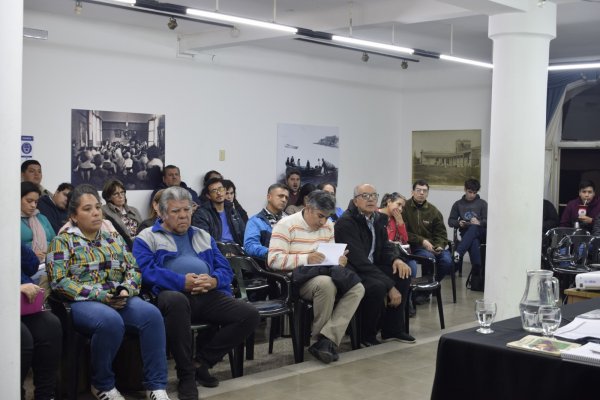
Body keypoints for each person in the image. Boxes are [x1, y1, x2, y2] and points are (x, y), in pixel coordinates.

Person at [46, 184, 171, 400]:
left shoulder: (112, 239)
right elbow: (59, 281)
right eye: (87, 209)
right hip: (83, 302)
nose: (95, 213)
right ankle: (102, 384)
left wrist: (125, 289)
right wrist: (101, 296)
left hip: (119, 298)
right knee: (110, 321)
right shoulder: (62, 241)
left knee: (152, 315)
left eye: (97, 207)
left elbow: (133, 269)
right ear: (74, 216)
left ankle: (156, 385)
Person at [133, 187, 259, 400]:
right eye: (175, 211)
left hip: (206, 294)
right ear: (162, 213)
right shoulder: (147, 237)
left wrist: (213, 281)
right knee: (176, 301)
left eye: (186, 210)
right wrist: (182, 282)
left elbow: (225, 269)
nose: (183, 215)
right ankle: (186, 376)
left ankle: (201, 363)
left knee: (249, 315)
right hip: (171, 295)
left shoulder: (203, 235)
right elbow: (144, 271)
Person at [268, 190, 365, 364]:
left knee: (357, 287)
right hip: (297, 279)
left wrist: (339, 259)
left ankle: (325, 340)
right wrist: (306, 258)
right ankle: (320, 341)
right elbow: (274, 261)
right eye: (320, 216)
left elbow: (329, 256)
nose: (323, 222)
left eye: (327, 217)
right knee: (326, 284)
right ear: (308, 208)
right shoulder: (285, 225)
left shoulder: (328, 226)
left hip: (324, 272)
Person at [335, 184, 415, 346]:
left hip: (373, 265)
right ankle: (366, 335)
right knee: (377, 286)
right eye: (365, 196)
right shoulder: (346, 222)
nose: (370, 199)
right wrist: (390, 287)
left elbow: (385, 246)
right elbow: (359, 260)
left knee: (403, 274)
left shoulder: (378, 219)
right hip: (354, 269)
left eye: (374, 196)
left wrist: (396, 260)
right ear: (355, 201)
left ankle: (392, 330)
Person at [21, 244, 62, 400]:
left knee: (50, 325)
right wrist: (13, 288)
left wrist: (14, 242)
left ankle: (45, 395)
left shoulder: (6, 236)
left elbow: (32, 266)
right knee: (23, 337)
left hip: (21, 305)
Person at [402, 180, 453, 282]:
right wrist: (421, 241)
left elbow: (441, 233)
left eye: (424, 191)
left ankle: (432, 286)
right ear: (412, 192)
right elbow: (403, 232)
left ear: (427, 193)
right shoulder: (404, 207)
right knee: (429, 258)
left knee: (447, 261)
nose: (421, 193)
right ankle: (424, 291)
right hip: (413, 246)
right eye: (418, 190)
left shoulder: (433, 211)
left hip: (432, 245)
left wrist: (439, 245)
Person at [447, 178, 487, 281]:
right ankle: (476, 271)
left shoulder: (482, 203)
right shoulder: (458, 204)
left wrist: (479, 222)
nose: (472, 195)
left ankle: (458, 253)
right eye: (470, 192)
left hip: (482, 232)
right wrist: (459, 223)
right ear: (465, 189)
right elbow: (451, 221)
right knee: (473, 241)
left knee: (474, 227)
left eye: (474, 192)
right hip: (467, 233)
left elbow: (489, 221)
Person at [192, 178, 246, 246]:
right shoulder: (201, 214)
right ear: (208, 196)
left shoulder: (232, 211)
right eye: (214, 191)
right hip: (217, 250)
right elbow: (203, 242)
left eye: (220, 189)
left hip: (237, 249)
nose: (218, 193)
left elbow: (244, 234)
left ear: (225, 190)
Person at [243, 183, 289, 262]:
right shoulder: (255, 221)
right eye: (280, 196)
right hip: (268, 266)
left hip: (292, 262)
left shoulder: (290, 220)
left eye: (286, 197)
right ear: (269, 197)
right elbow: (250, 246)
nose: (284, 200)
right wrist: (272, 253)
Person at [378, 192, 418, 277]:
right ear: (389, 202)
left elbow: (405, 240)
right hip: (381, 252)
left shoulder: (396, 219)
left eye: (402, 207)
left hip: (394, 252)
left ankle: (409, 289)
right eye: (398, 204)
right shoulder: (375, 214)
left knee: (412, 263)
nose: (400, 209)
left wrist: (400, 224)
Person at [101, 179, 143, 247]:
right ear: (108, 197)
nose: (120, 196)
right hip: (122, 247)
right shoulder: (104, 211)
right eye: (116, 194)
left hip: (141, 245)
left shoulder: (134, 210)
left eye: (122, 192)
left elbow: (144, 230)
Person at [21, 182, 56, 264]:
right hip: (25, 266)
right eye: (29, 201)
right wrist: (30, 255)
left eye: (36, 202)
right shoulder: (10, 221)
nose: (33, 205)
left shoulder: (41, 218)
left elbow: (55, 242)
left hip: (48, 262)